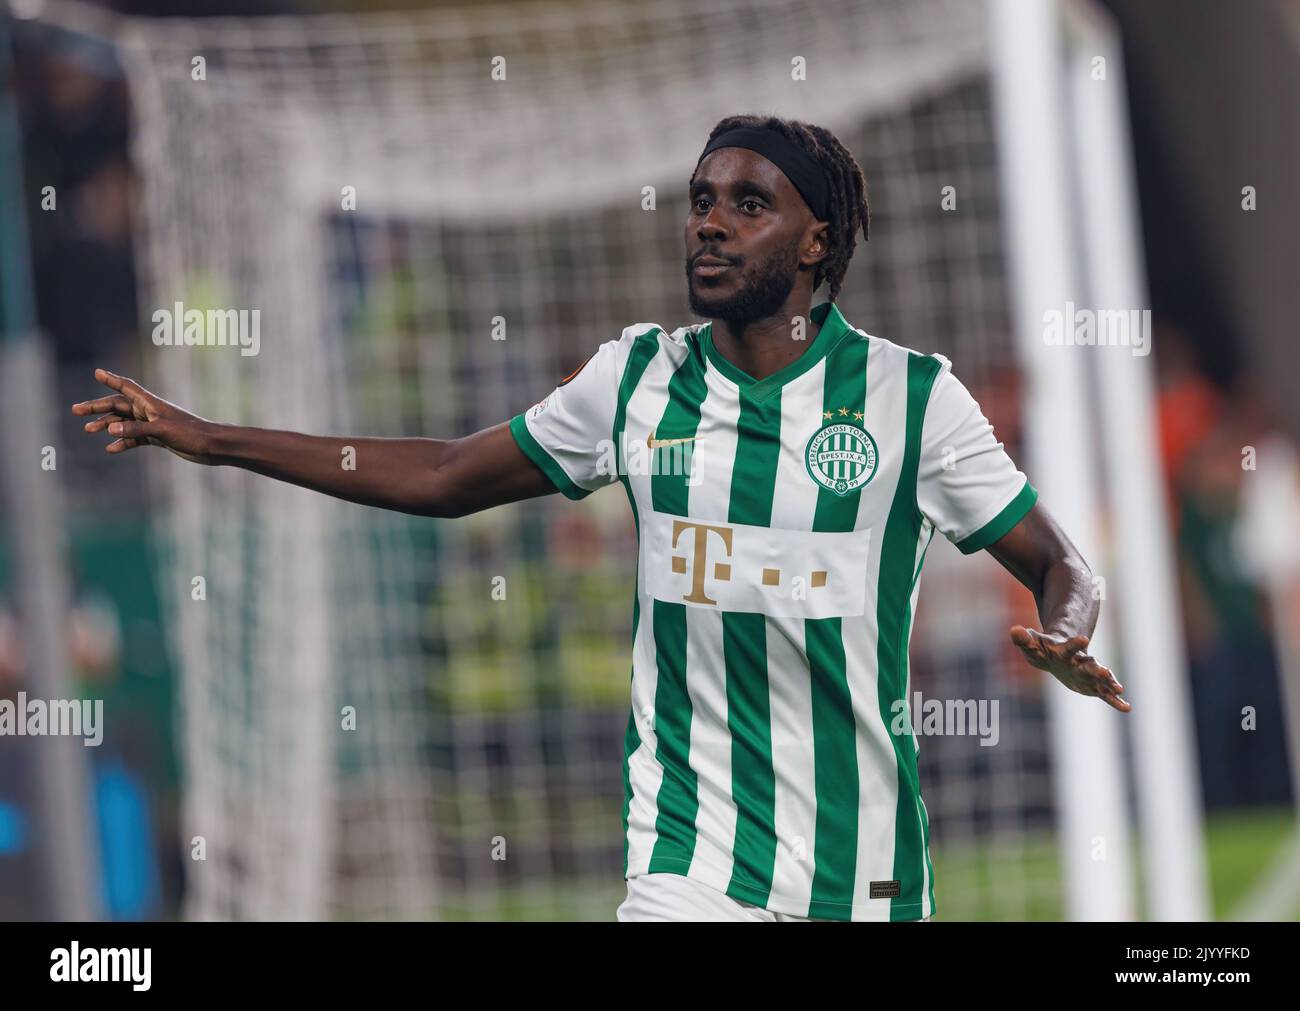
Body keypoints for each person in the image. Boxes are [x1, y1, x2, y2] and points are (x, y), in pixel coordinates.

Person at [72, 114, 1125, 922]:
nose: (708, 220)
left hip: (864, 864)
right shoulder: (634, 383)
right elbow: (443, 473)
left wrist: (1067, 632)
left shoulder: (912, 401)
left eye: (747, 204)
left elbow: (1058, 563)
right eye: (700, 198)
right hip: (687, 858)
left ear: (816, 242)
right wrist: (213, 438)